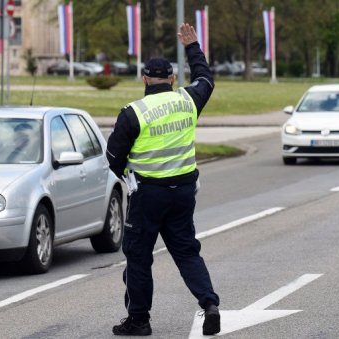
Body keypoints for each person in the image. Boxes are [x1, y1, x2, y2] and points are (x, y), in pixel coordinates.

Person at [107, 23, 220, 336]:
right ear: (171, 79)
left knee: (139, 257)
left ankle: (139, 320)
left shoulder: (133, 113)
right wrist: (192, 47)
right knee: (186, 252)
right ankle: (209, 302)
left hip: (148, 195)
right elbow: (205, 79)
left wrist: (129, 173)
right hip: (183, 192)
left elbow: (113, 158)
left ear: (144, 79)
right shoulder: (188, 100)